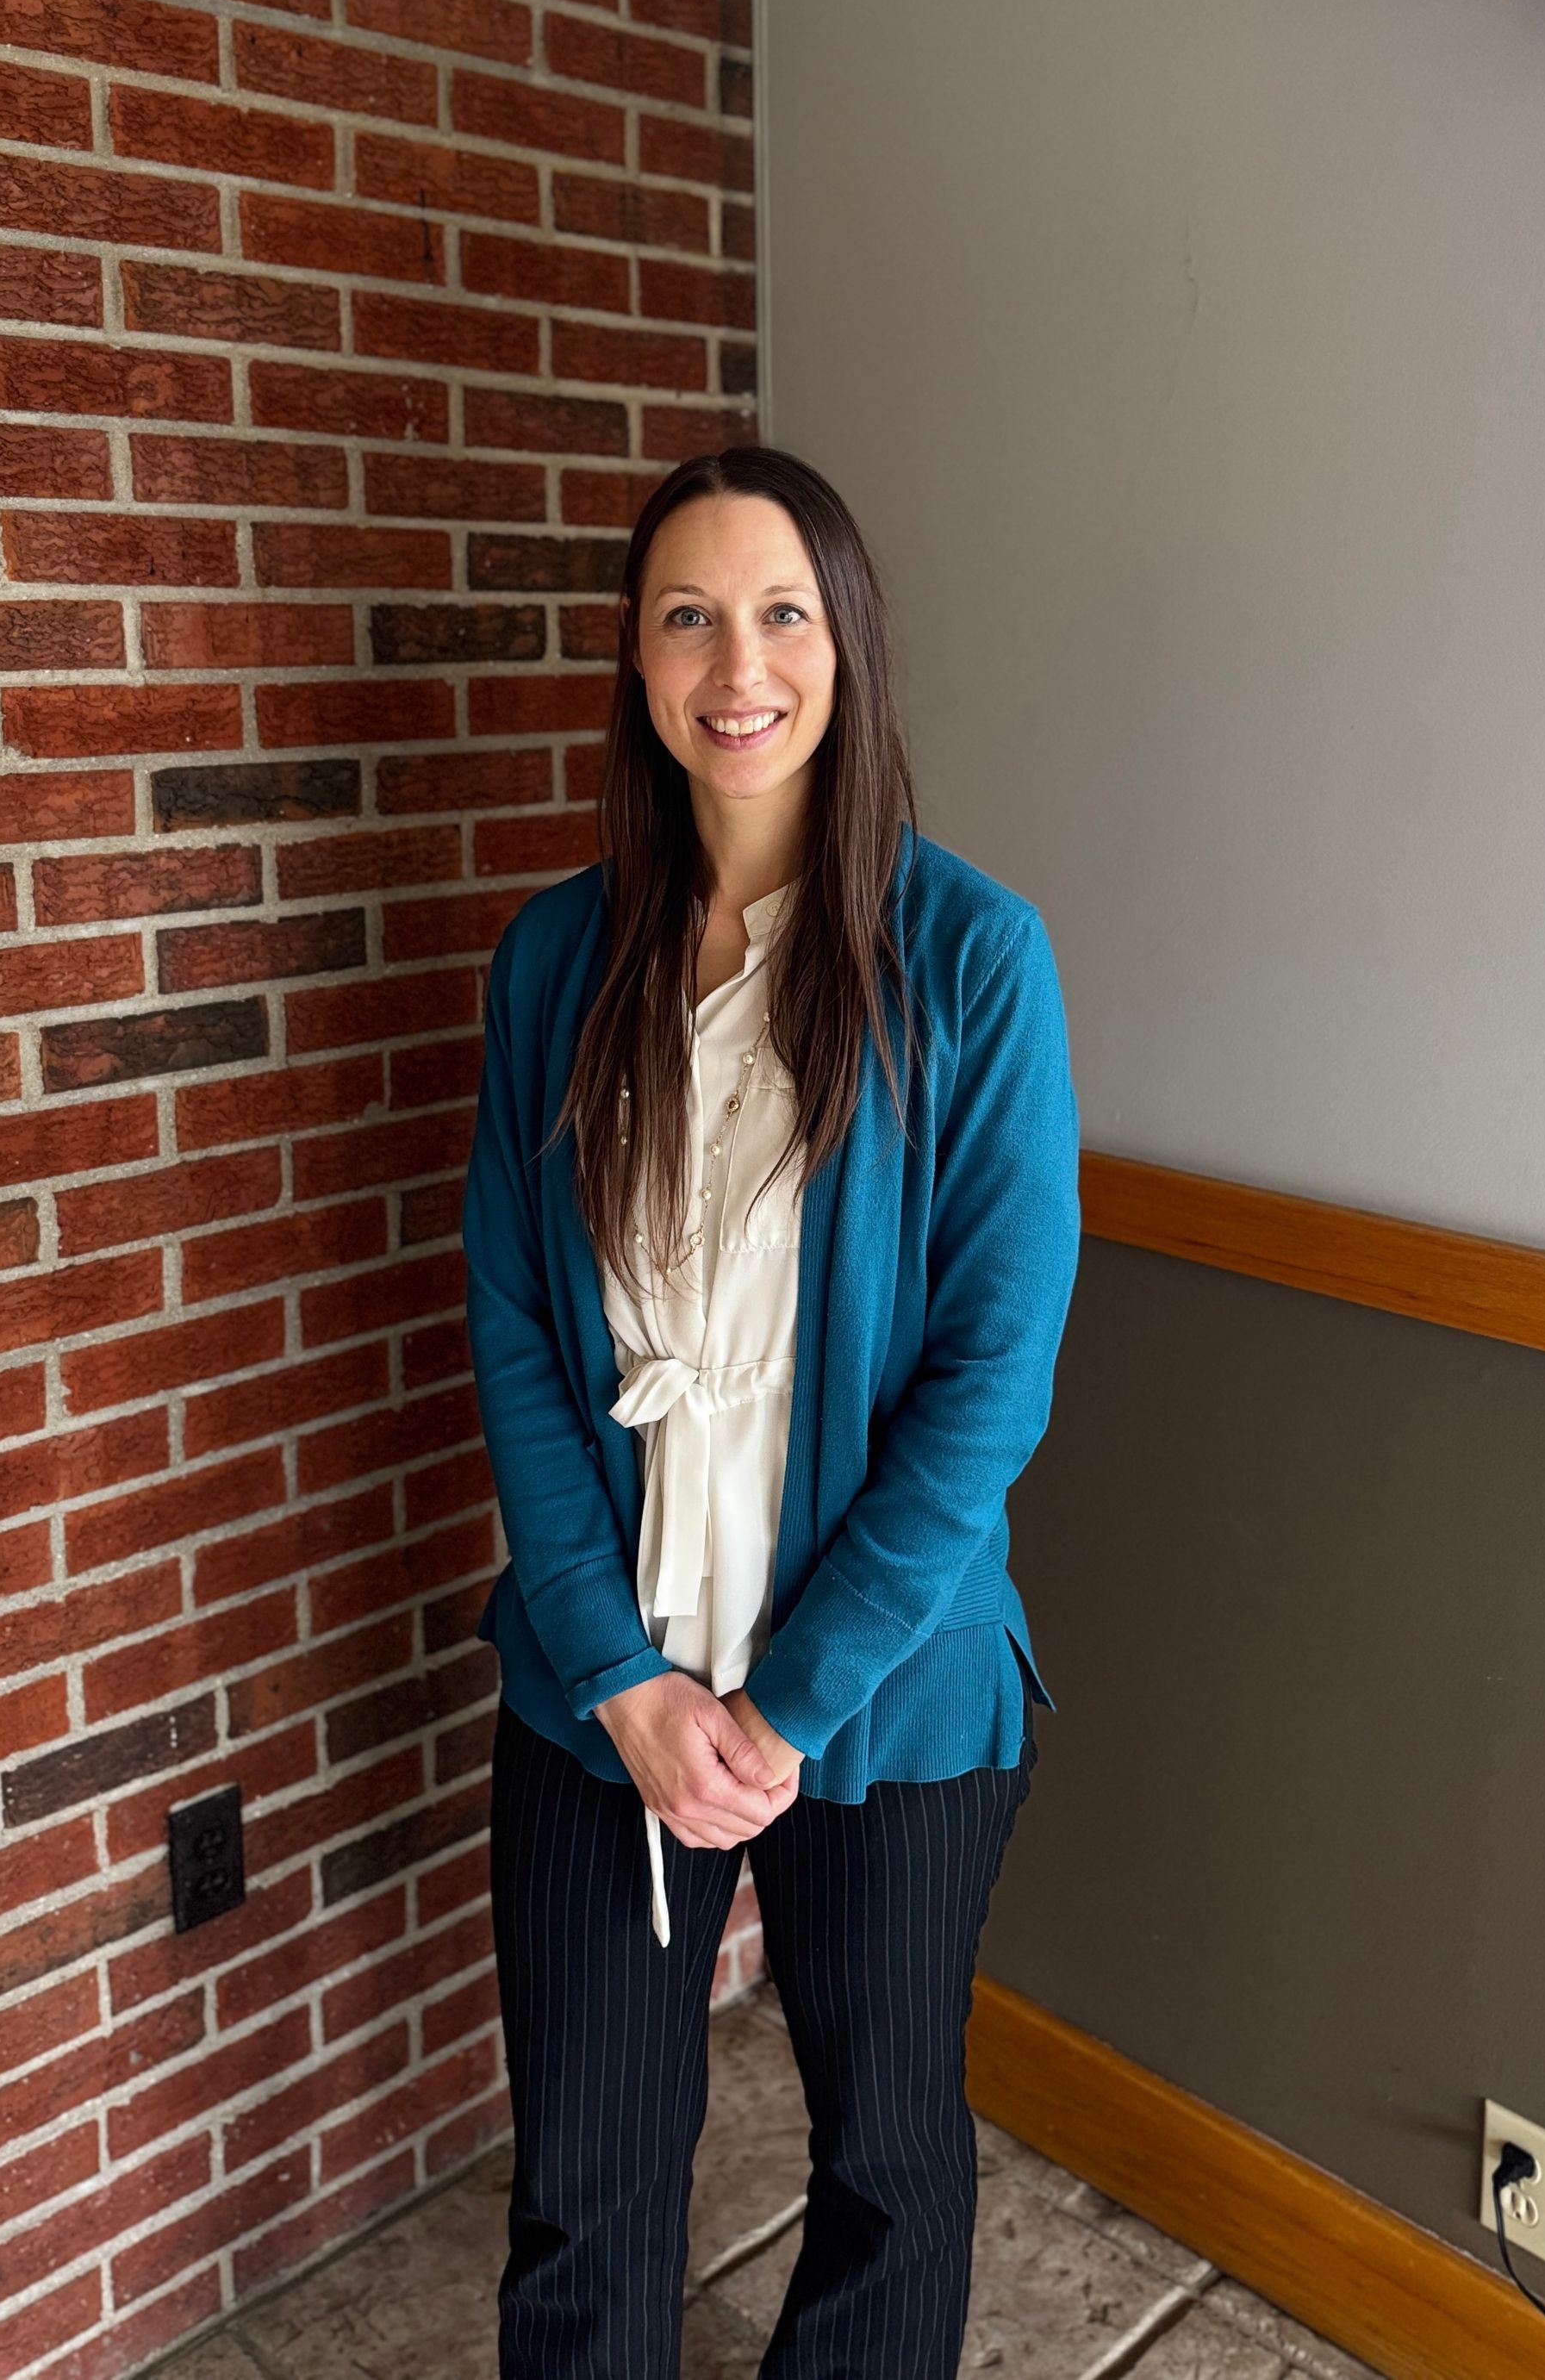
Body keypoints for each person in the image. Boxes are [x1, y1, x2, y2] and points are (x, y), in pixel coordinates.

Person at [463, 440, 1081, 2377]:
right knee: (584, 2184)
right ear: (641, 667)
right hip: (599, 1684)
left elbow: (992, 1385)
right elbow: (511, 1329)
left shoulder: (971, 957)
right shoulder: (557, 963)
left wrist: (784, 1701)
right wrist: (617, 1674)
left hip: (887, 1701)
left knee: (887, 2169)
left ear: (849, 646)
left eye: (783, 611)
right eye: (689, 616)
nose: (741, 662)